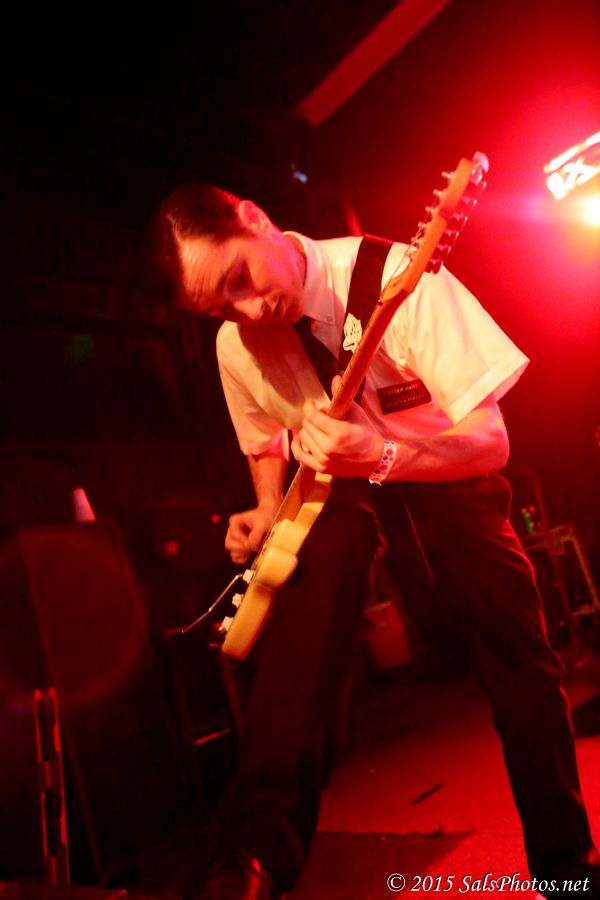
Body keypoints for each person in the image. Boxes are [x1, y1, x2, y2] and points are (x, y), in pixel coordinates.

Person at [155, 183, 599, 900]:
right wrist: (265, 507)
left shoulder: (401, 278)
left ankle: (566, 868)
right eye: (222, 308)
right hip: (345, 502)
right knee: (304, 625)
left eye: (239, 278)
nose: (247, 310)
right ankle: (251, 853)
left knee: (519, 660)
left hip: (445, 478)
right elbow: (264, 438)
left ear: (255, 220)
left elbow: (492, 441)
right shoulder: (235, 346)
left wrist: (385, 454)